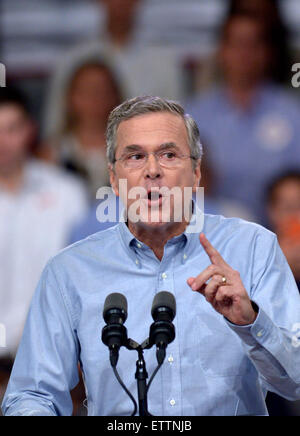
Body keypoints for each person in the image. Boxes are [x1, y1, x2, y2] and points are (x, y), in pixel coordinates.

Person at [2, 96, 300, 416]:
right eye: (135, 156)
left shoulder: (253, 248)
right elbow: (31, 395)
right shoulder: (69, 272)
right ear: (114, 179)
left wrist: (250, 321)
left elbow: (295, 382)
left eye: (169, 154)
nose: (153, 171)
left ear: (196, 173)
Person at [0, 88, 88, 407]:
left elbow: (84, 278)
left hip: (57, 362)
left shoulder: (68, 192)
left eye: (11, 129)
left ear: (30, 130)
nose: (2, 142)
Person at [186, 12, 300, 223]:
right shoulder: (194, 115)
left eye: (253, 44)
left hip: (282, 238)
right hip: (212, 237)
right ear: (221, 51)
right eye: (237, 44)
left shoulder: (292, 112)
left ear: (266, 52)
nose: (244, 53)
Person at [43, 0, 184, 140]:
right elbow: (55, 127)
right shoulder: (73, 59)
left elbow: (175, 127)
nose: (120, 3)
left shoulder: (164, 61)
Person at [40, 59, 123, 198]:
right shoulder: (51, 154)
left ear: (115, 95)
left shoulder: (133, 150)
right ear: (70, 97)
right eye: (86, 91)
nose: (95, 98)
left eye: (103, 90)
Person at [266, 170, 300, 291]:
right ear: (272, 212)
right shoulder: (257, 263)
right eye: (289, 208)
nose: (297, 218)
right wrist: (280, 268)